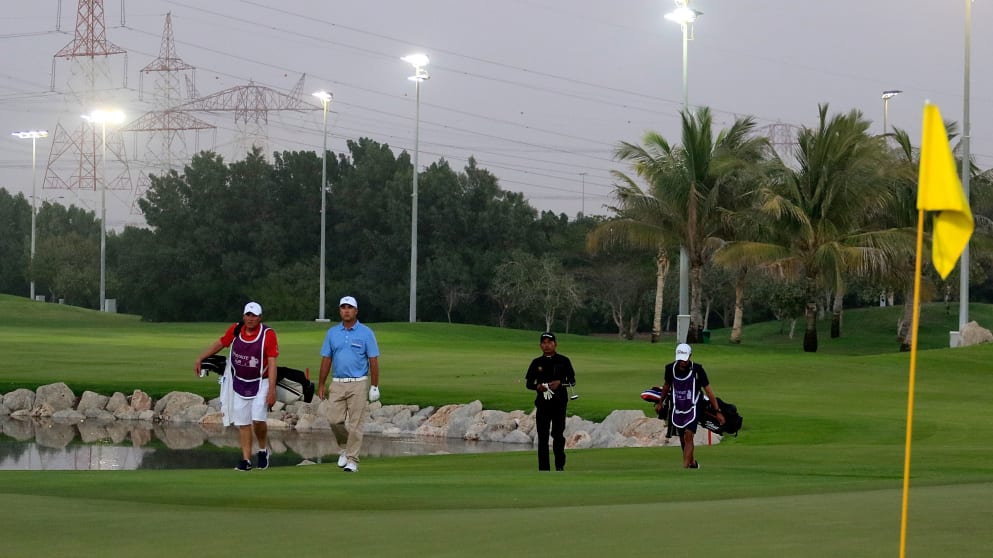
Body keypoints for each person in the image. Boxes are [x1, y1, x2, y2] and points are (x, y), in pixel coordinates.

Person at [194, 301, 278, 471]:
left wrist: (272, 390)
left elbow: (272, 361)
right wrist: (200, 358)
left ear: (260, 318)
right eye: (248, 315)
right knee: (243, 423)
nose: (250, 318)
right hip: (239, 381)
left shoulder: (268, 334)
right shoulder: (236, 329)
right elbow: (221, 343)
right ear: (243, 316)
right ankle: (246, 460)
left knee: (258, 419)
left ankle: (262, 450)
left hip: (260, 382)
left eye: (254, 315)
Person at [317, 295, 381, 473]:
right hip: (337, 383)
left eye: (349, 307)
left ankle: (352, 460)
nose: (346, 310)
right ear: (340, 310)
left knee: (355, 424)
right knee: (333, 420)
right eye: (343, 307)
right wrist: (321, 384)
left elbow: (373, 360)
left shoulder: (366, 332)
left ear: (356, 311)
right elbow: (326, 359)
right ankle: (345, 448)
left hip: (358, 383)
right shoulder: (332, 333)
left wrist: (375, 386)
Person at [655, 343, 723, 469]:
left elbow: (708, 391)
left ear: (690, 356)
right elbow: (666, 386)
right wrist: (660, 402)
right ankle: (691, 462)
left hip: (694, 405)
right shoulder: (670, 368)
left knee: (688, 434)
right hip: (678, 406)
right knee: (682, 438)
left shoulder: (698, 369)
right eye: (680, 359)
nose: (682, 362)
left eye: (685, 359)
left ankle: (685, 468)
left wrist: (717, 411)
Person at [524, 332, 576, 471]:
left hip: (559, 403)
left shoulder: (564, 360)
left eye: (549, 342)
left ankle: (559, 466)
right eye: (544, 343)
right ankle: (544, 468)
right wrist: (537, 387)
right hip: (542, 404)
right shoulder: (537, 363)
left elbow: (572, 381)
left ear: (555, 344)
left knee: (558, 435)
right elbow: (529, 384)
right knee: (542, 437)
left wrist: (560, 383)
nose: (547, 345)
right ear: (540, 345)